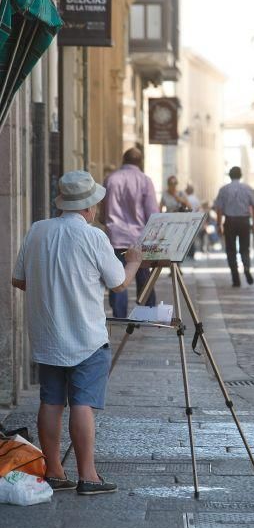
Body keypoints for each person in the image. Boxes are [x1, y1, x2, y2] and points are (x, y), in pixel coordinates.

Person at [11, 170, 143, 495]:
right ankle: (88, 475)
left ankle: (54, 471)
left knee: (51, 401)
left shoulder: (37, 231)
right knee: (82, 402)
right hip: (86, 336)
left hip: (47, 335)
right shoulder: (94, 236)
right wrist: (135, 262)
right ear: (88, 207)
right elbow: (119, 283)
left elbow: (19, 280)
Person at [101, 147, 158, 316]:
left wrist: (105, 220)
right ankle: (147, 312)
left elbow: (103, 210)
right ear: (140, 162)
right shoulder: (145, 180)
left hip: (115, 236)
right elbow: (152, 214)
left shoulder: (110, 179)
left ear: (123, 160)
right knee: (143, 276)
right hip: (139, 238)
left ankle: (119, 315)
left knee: (117, 276)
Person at [215, 166, 254, 287]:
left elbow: (219, 208)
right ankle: (246, 268)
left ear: (229, 175)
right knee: (245, 248)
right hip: (244, 221)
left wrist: (219, 224)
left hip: (230, 221)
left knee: (230, 249)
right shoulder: (247, 188)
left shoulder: (224, 189)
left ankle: (235, 277)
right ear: (241, 175)